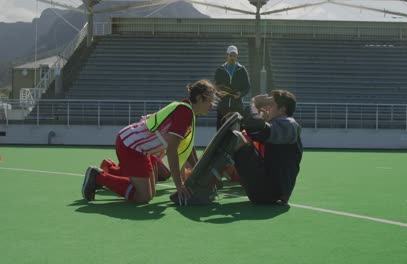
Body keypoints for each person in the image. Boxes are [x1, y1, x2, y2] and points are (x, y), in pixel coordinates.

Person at [81, 79, 217, 204]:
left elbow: (187, 148)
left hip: (142, 149)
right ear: (199, 98)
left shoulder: (189, 112)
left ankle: (109, 169)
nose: (212, 105)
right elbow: (171, 151)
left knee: (151, 194)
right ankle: (98, 177)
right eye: (210, 101)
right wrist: (179, 185)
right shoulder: (185, 112)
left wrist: (198, 173)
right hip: (130, 146)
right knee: (143, 197)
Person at [233, 90, 303, 204]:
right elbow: (254, 130)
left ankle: (203, 182)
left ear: (282, 109)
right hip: (271, 190)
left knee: (236, 138)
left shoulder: (289, 124)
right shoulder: (284, 124)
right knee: (237, 136)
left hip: (271, 193)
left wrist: (253, 103)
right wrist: (265, 120)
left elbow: (256, 128)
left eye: (272, 104)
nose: (267, 107)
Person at [214, 45, 251, 130]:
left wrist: (240, 94)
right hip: (223, 107)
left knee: (238, 132)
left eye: (234, 55)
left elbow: (247, 87)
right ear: (227, 55)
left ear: (237, 56)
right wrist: (218, 94)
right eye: (230, 55)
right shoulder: (220, 69)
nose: (232, 57)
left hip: (237, 106)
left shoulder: (242, 70)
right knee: (220, 131)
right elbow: (215, 87)